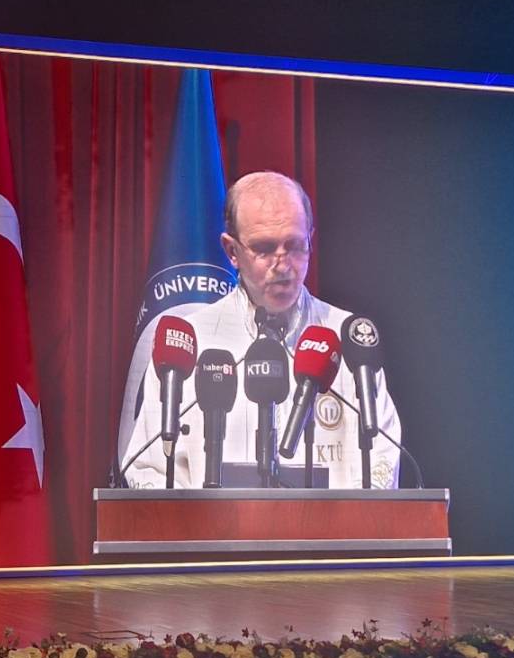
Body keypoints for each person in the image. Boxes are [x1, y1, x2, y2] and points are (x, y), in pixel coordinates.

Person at [122, 171, 402, 489]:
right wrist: (195, 518)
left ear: (311, 239)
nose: (282, 264)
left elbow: (381, 457)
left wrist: (344, 517)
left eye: (294, 246)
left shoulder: (347, 338)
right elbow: (148, 468)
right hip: (211, 524)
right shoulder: (189, 342)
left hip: (333, 524)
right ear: (232, 251)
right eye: (265, 249)